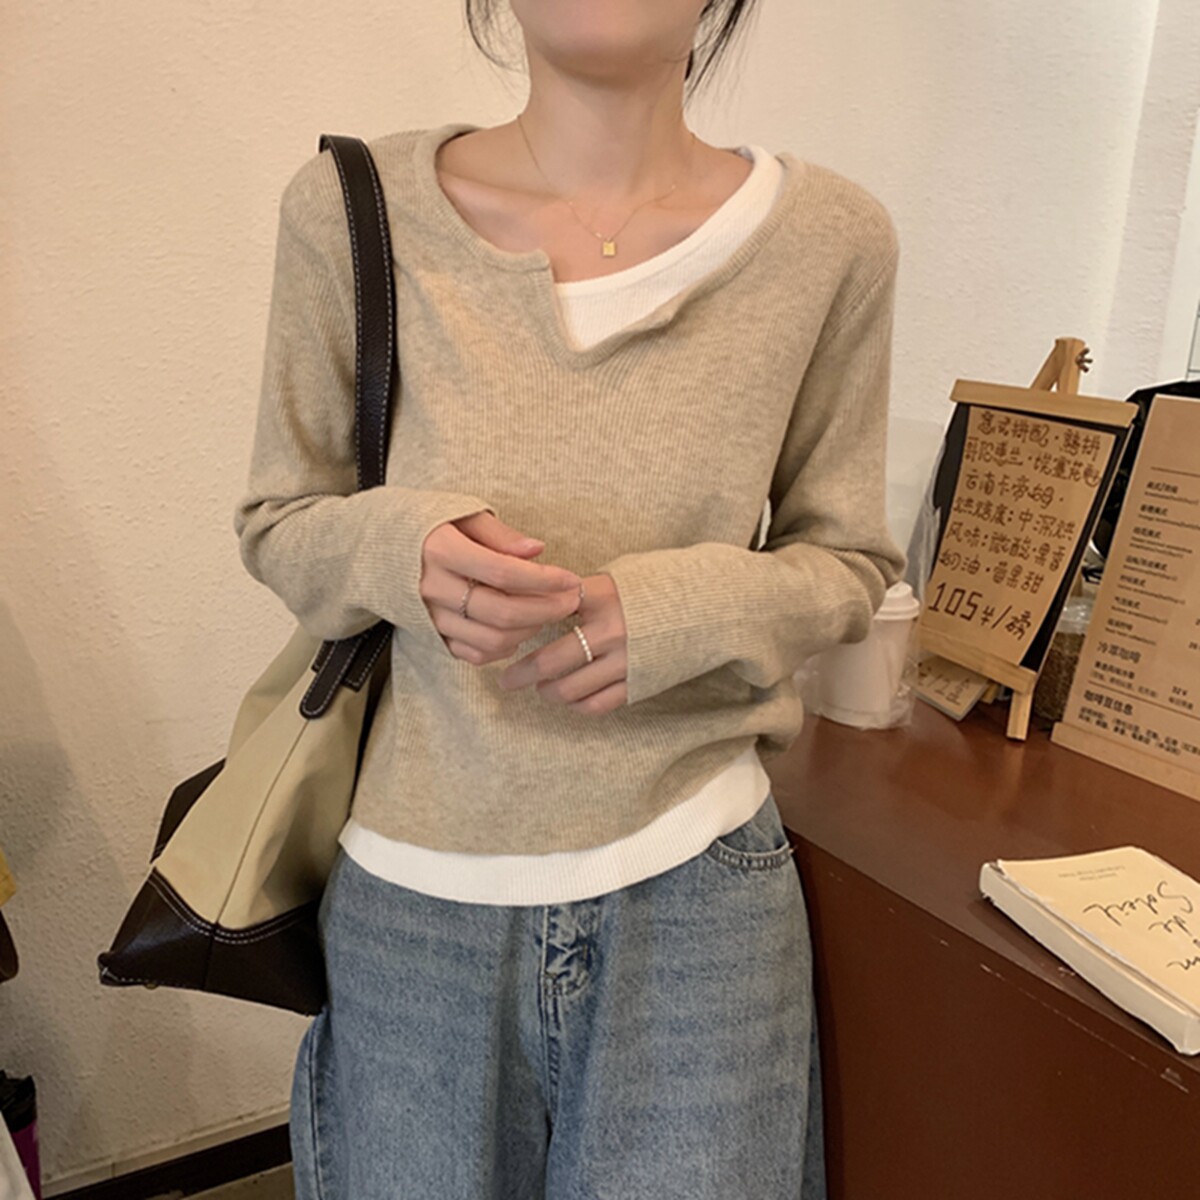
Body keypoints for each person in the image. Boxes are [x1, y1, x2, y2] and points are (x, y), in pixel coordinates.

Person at [233, 1, 905, 1196]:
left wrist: (681, 614)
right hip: (413, 900)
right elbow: (280, 521)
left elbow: (848, 560)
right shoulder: (351, 210)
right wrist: (405, 551)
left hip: (699, 895)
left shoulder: (833, 240)